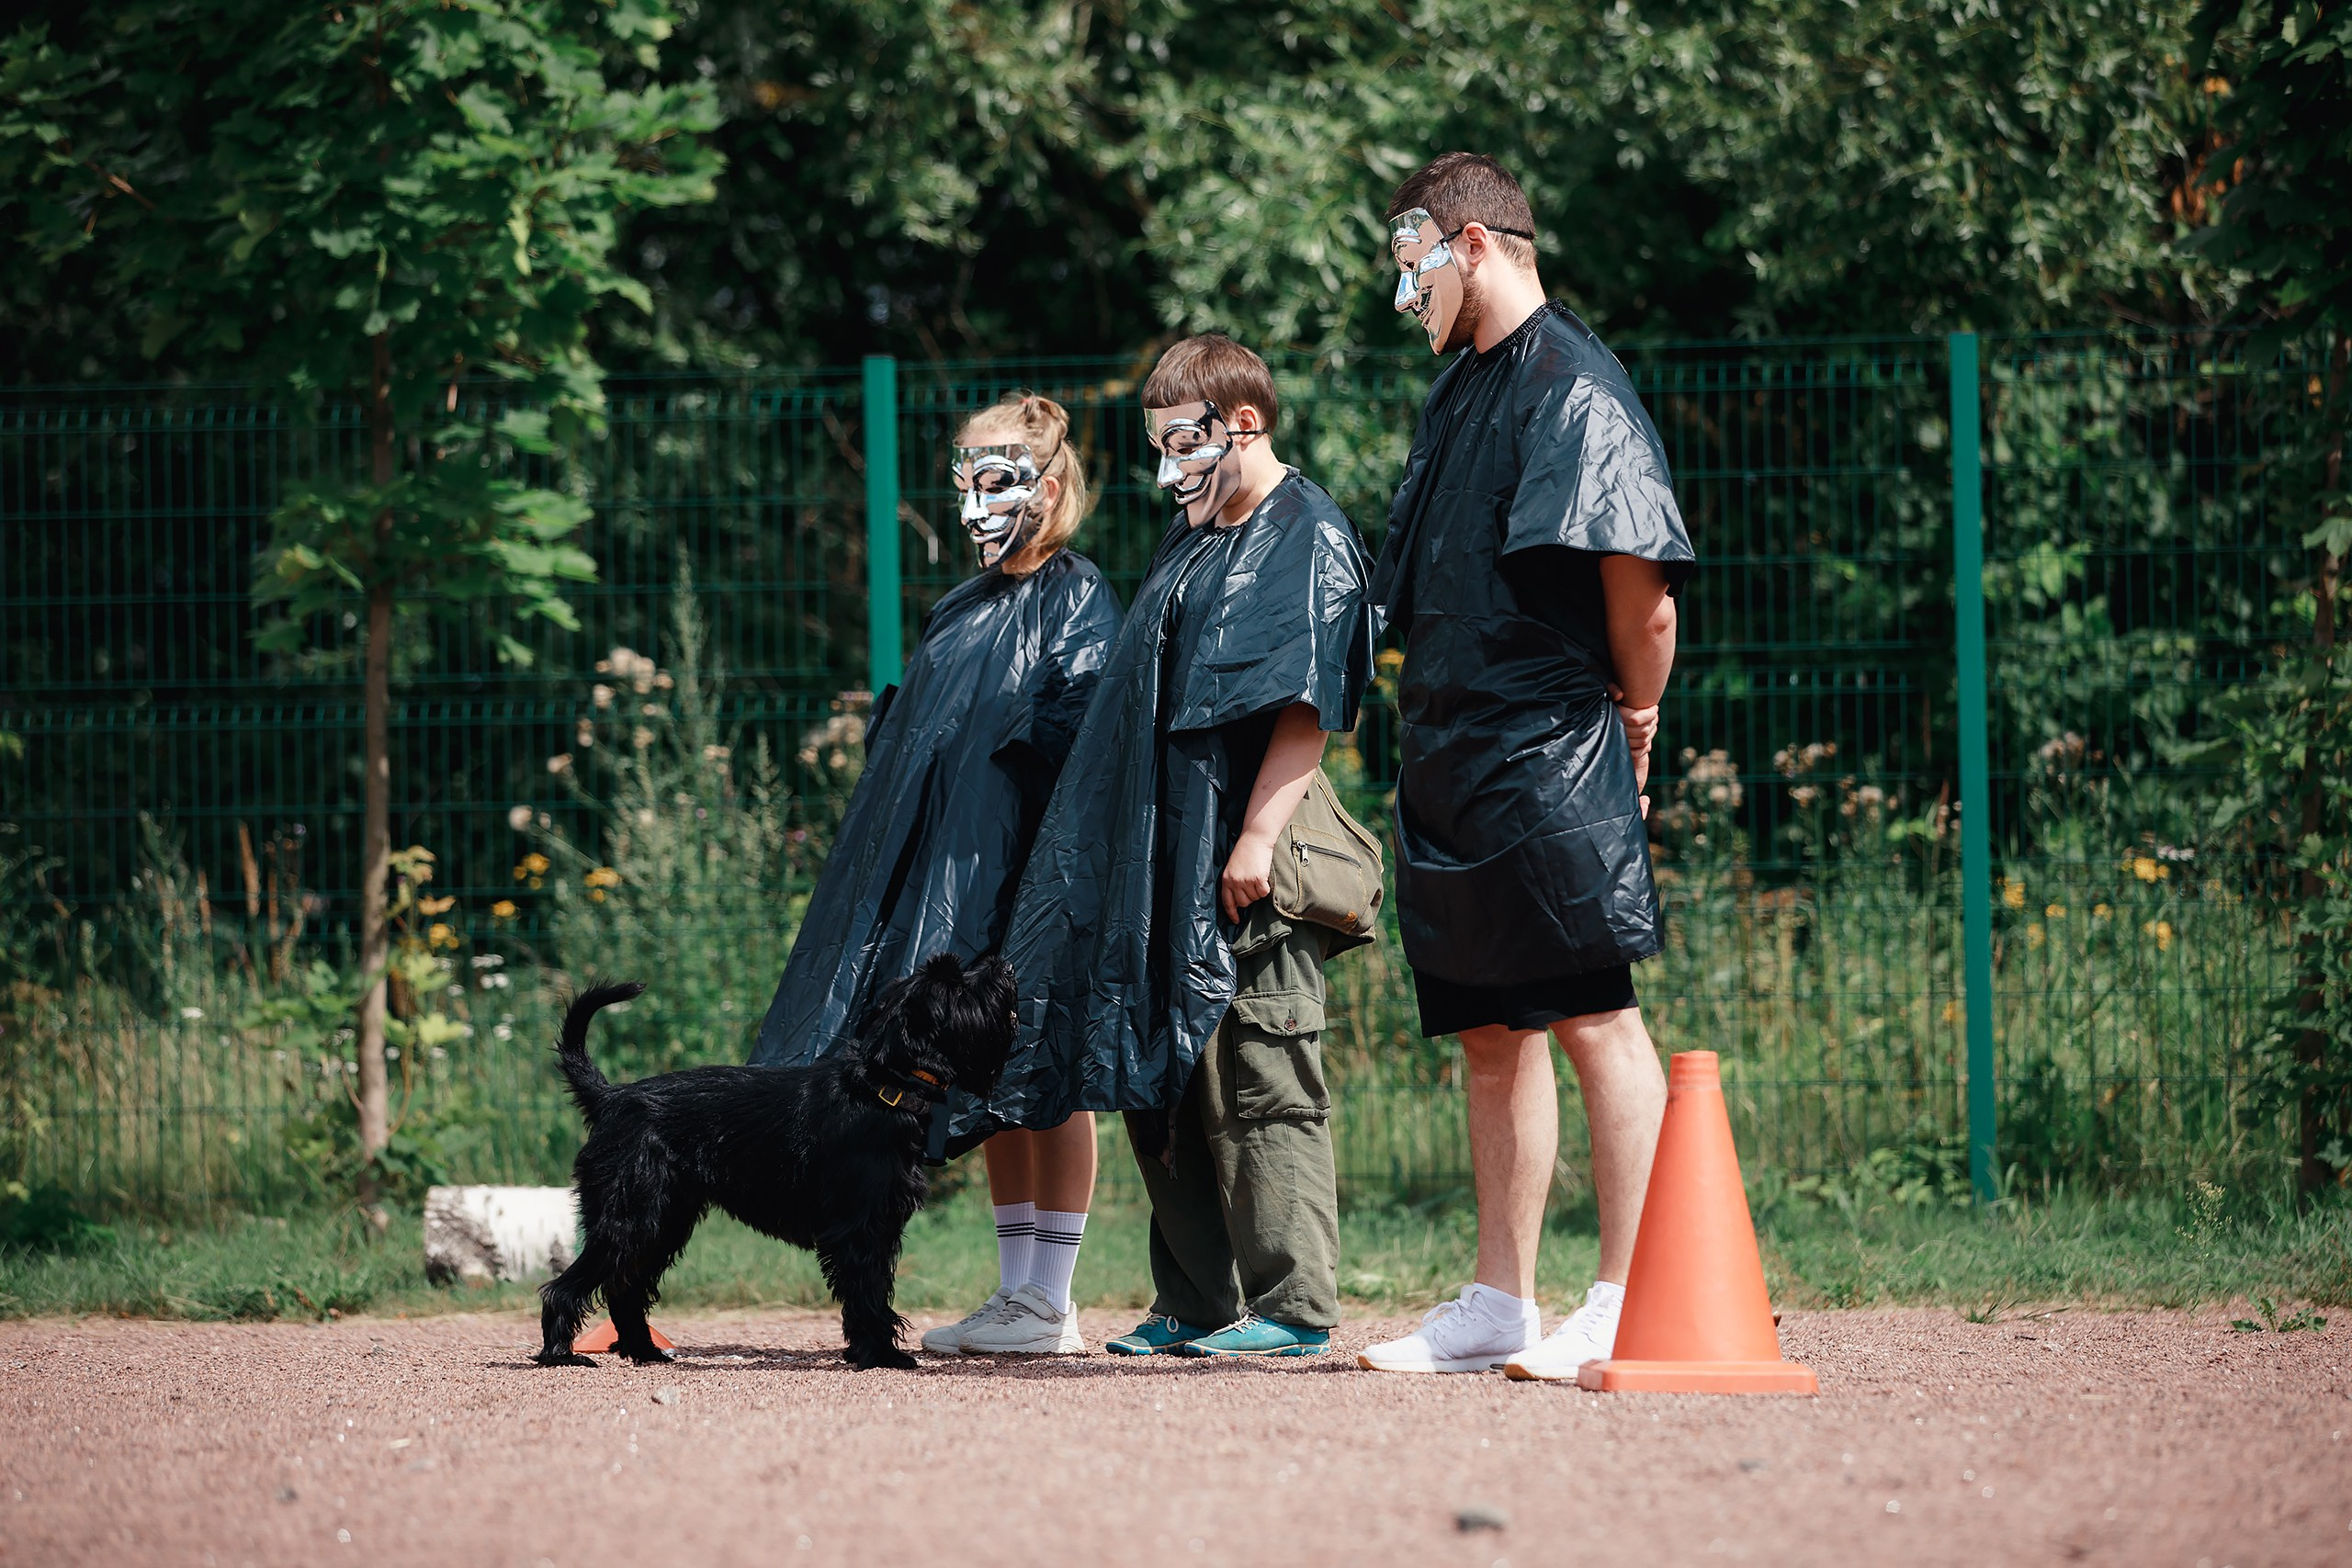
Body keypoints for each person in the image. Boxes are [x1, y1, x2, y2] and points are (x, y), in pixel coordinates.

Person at [956, 333, 1376, 1359]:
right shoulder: (1195, 532)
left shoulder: (1304, 533)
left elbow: (1307, 704)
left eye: (1182, 442)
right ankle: (1194, 1301)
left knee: (1260, 1072)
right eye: (1156, 444)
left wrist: (1258, 837)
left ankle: (1293, 1308)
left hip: (1250, 852)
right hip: (1166, 850)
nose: (1165, 468)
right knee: (1163, 1074)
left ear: (1242, 424)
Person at [1354, 153, 1695, 1382]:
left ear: (1475, 244)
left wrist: (1639, 725)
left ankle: (1625, 1292)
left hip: (1551, 751)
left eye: (1416, 268)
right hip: (1455, 753)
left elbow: (1642, 592)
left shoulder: (1575, 384)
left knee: (1597, 1014)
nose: (1409, 297)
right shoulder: (1460, 392)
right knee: (1492, 1029)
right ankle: (1502, 1298)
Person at [749, 392, 1119, 1357]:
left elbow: (1078, 746)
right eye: (962, 477)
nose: (970, 499)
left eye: (991, 477)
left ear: (1042, 485)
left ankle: (1051, 1298)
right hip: (953, 878)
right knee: (989, 1081)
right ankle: (1014, 1295)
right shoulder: (963, 605)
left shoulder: (1075, 595)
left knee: (1050, 1077)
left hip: (1031, 876)